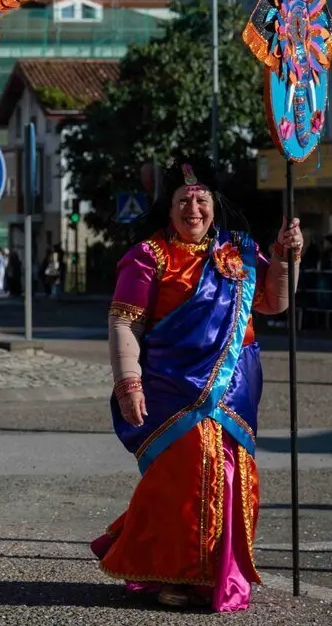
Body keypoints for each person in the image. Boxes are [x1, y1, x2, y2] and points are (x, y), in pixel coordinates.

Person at [91, 160, 301, 611]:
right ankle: (177, 574)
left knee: (229, 476)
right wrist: (129, 383)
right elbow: (124, 323)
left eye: (202, 198)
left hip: (234, 386)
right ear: (168, 209)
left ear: (215, 206)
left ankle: (215, 575)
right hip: (171, 388)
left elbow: (273, 303)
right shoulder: (148, 256)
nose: (193, 206)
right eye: (183, 199)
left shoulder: (239, 252)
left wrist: (286, 256)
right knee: (183, 479)